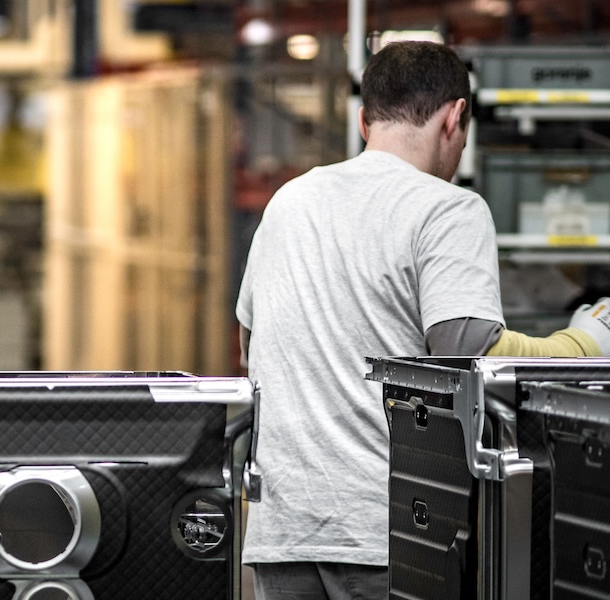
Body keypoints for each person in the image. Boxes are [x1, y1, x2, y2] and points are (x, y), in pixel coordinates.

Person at [235, 40, 610, 599]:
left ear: (364, 120)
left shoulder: (291, 200)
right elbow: (471, 357)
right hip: (390, 534)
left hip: (283, 532)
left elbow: (249, 344)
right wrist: (587, 341)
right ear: (455, 116)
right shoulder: (447, 207)